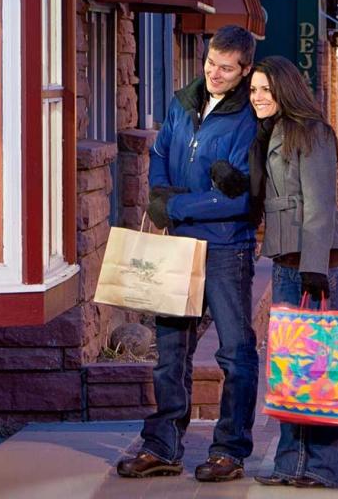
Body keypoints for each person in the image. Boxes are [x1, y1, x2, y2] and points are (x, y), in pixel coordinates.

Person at [116, 25, 260, 483]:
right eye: (211, 63)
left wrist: (175, 204)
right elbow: (159, 150)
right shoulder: (183, 102)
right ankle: (163, 445)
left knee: (235, 352)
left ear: (245, 70)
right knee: (170, 350)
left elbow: (243, 198)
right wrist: (159, 189)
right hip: (178, 246)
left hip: (225, 247)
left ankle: (230, 450)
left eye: (226, 68)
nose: (214, 73)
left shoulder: (250, 119)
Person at [210, 55, 338, 489]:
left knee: (320, 367)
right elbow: (266, 196)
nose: (258, 97)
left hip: (317, 264)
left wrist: (314, 268)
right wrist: (236, 183)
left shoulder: (312, 133)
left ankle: (323, 468)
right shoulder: (266, 134)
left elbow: (319, 204)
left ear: (286, 90)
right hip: (288, 263)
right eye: (253, 90)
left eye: (266, 90)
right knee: (292, 370)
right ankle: (291, 465)